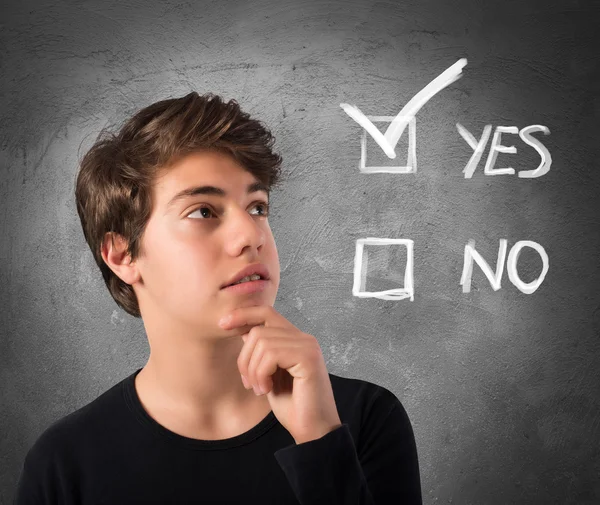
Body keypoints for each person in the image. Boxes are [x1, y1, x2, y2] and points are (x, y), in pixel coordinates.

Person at [13, 91, 423, 504]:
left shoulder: (363, 420)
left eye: (258, 207)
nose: (251, 236)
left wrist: (319, 443)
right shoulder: (64, 465)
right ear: (122, 255)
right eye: (203, 212)